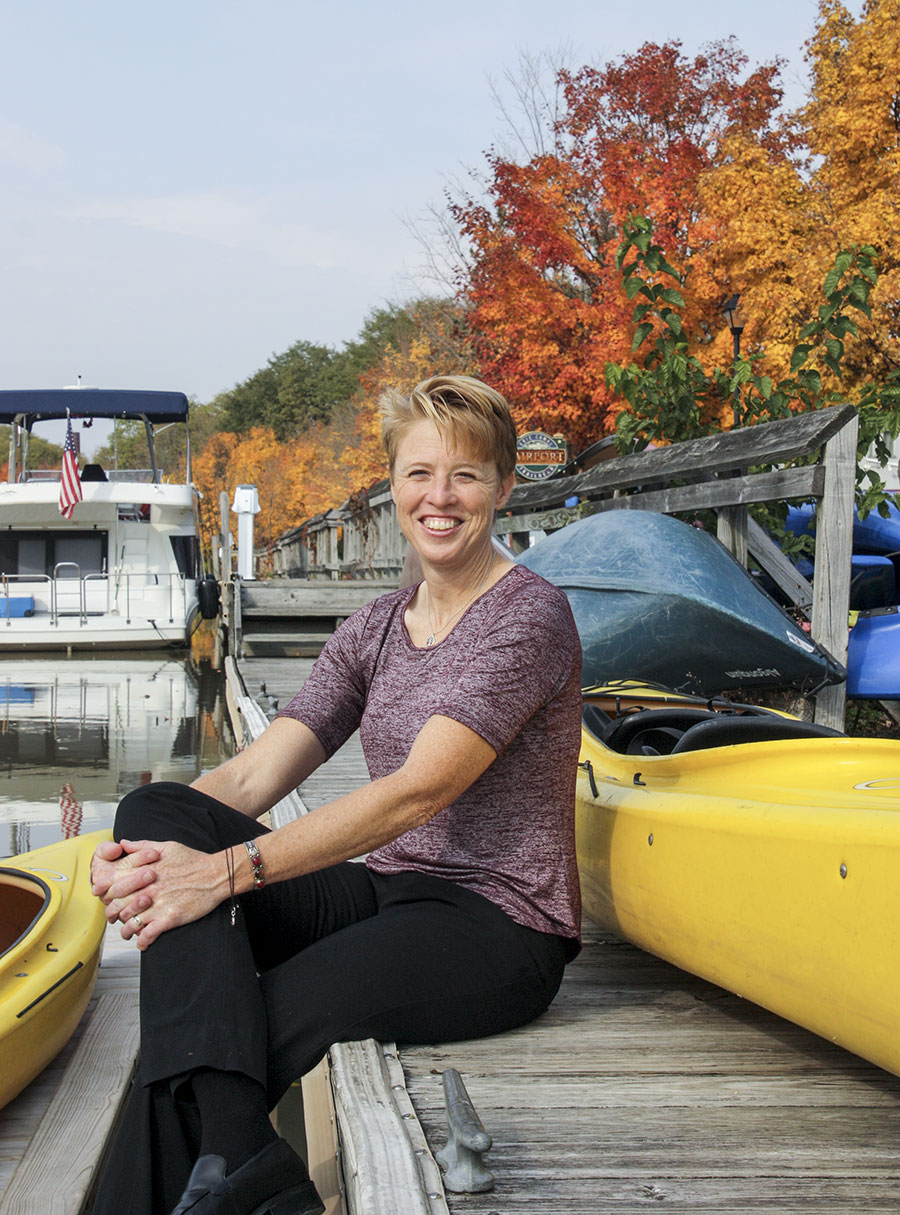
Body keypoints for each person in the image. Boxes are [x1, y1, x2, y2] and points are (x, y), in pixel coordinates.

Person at [89, 374, 583, 1215]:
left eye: (466, 474)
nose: (440, 496)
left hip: (494, 922)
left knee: (234, 1029)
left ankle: (214, 1167)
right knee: (154, 812)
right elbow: (248, 778)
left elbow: (414, 794)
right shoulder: (375, 629)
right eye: (419, 472)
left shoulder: (527, 618)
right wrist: (136, 859)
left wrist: (220, 872)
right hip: (379, 889)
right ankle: (247, 1159)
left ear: (503, 486)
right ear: (392, 485)